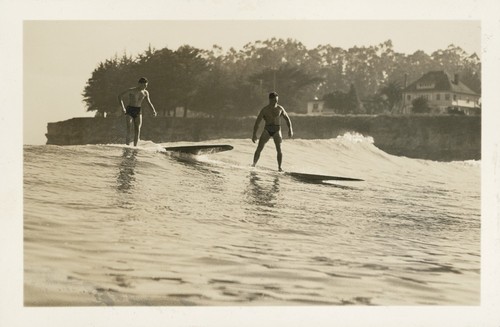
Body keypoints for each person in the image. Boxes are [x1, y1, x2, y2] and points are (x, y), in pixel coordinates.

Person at [252, 92, 293, 172]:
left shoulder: (280, 108)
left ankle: (279, 167)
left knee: (279, 149)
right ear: (270, 100)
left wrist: (290, 129)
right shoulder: (265, 110)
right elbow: (257, 122)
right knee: (259, 148)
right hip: (267, 130)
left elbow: (287, 119)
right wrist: (254, 134)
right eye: (274, 100)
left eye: (277, 100)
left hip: (277, 130)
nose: (275, 102)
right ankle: (253, 164)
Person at [118, 77, 157, 146]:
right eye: (144, 85)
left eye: (146, 85)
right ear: (139, 84)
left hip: (138, 110)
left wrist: (153, 110)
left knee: (137, 130)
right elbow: (120, 96)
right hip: (130, 109)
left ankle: (135, 147)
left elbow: (149, 102)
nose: (145, 87)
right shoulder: (131, 90)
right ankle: (127, 146)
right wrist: (123, 108)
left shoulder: (145, 92)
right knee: (129, 128)